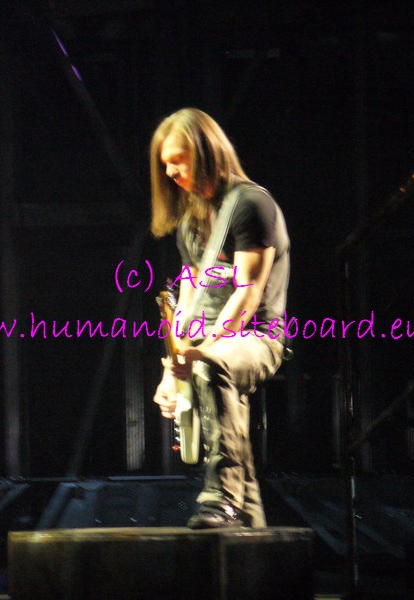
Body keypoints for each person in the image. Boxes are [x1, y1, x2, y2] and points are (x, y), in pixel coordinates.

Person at [150, 108, 290, 528]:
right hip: (208, 347)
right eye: (165, 164)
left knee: (212, 368)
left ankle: (220, 499)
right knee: (237, 448)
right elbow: (190, 300)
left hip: (258, 338)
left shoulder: (251, 204)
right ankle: (249, 529)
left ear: (206, 153)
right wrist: (173, 372)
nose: (170, 172)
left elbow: (247, 293)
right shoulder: (190, 221)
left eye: (178, 160)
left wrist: (203, 354)